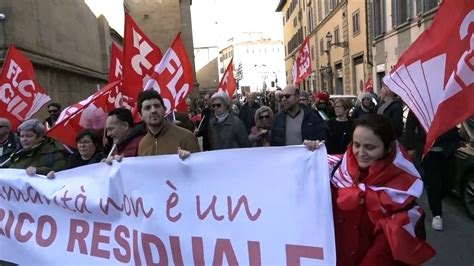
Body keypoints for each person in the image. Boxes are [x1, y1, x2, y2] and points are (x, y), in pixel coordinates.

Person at [305, 114, 435, 266]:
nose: (361, 153)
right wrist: (307, 154)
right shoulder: (335, 169)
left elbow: (385, 249)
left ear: (389, 148)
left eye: (370, 147)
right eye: (357, 144)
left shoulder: (402, 190)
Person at [137, 90, 200, 157]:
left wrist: (189, 160)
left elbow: (198, 165)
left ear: (165, 110)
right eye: (147, 108)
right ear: (140, 116)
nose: (153, 110)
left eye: (157, 106)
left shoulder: (186, 137)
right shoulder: (142, 145)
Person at [422, 128, 460, 231]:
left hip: (448, 153)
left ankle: (436, 199)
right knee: (433, 184)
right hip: (430, 153)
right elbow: (411, 124)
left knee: (449, 183)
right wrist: (412, 145)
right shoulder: (426, 112)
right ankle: (437, 214)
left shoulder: (450, 112)